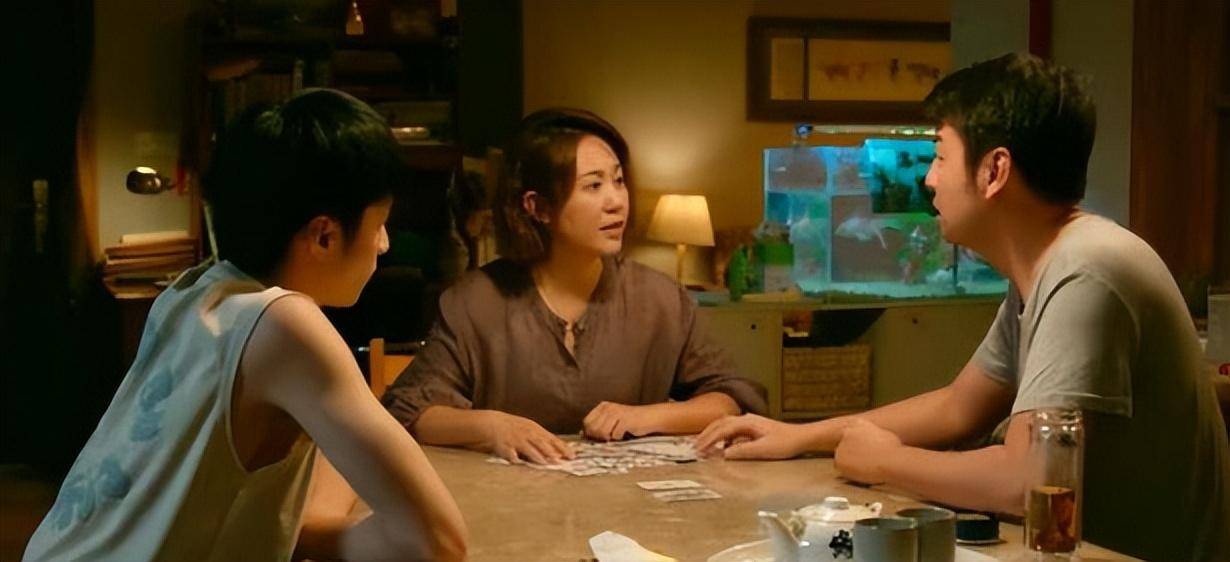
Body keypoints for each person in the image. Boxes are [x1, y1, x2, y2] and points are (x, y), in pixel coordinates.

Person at [696, 53, 1230, 561]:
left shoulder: (1086, 271)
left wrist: (886, 462)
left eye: (940, 156)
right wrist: (800, 436)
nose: (929, 178)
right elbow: (958, 407)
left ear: (995, 170)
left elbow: (1026, 480)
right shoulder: (1046, 266)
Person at [24, 89, 467, 561]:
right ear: (324, 235)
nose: (383, 245)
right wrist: (313, 533)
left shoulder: (192, 293)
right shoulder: (285, 325)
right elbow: (437, 542)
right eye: (379, 224)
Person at [381, 108, 767, 464]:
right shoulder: (477, 301)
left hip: (631, 503)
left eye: (618, 181)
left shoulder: (659, 298)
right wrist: (493, 426)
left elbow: (730, 397)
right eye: (593, 186)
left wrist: (646, 416)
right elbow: (409, 410)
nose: (616, 201)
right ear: (537, 207)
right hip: (512, 503)